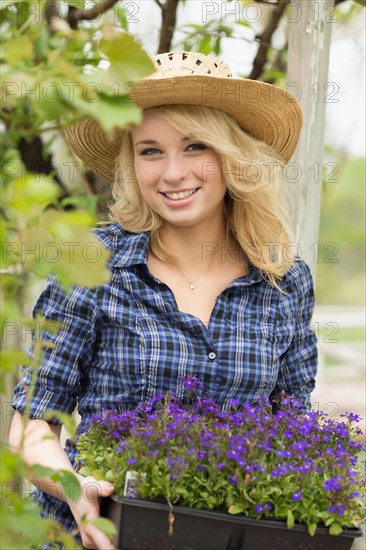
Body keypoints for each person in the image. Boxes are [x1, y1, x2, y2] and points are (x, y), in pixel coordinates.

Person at [10, 51, 318, 549]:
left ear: (231, 155)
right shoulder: (93, 265)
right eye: (150, 150)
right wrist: (77, 492)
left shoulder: (283, 280)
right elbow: (31, 424)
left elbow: (291, 431)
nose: (172, 173)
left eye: (195, 146)